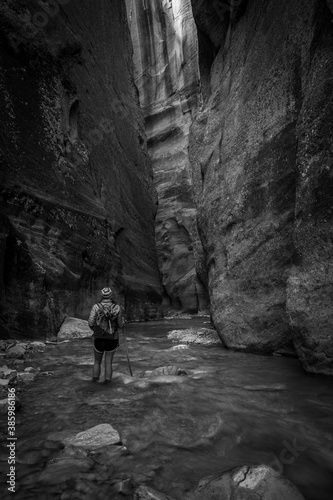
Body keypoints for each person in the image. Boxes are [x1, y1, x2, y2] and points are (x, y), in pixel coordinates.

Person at [88, 287, 124, 383]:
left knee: (97, 361)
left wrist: (96, 330)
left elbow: (90, 323)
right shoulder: (117, 307)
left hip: (99, 337)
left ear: (101, 296)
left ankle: (94, 382)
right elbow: (120, 325)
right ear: (111, 296)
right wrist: (123, 322)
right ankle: (107, 384)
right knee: (108, 362)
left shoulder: (96, 307)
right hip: (113, 338)